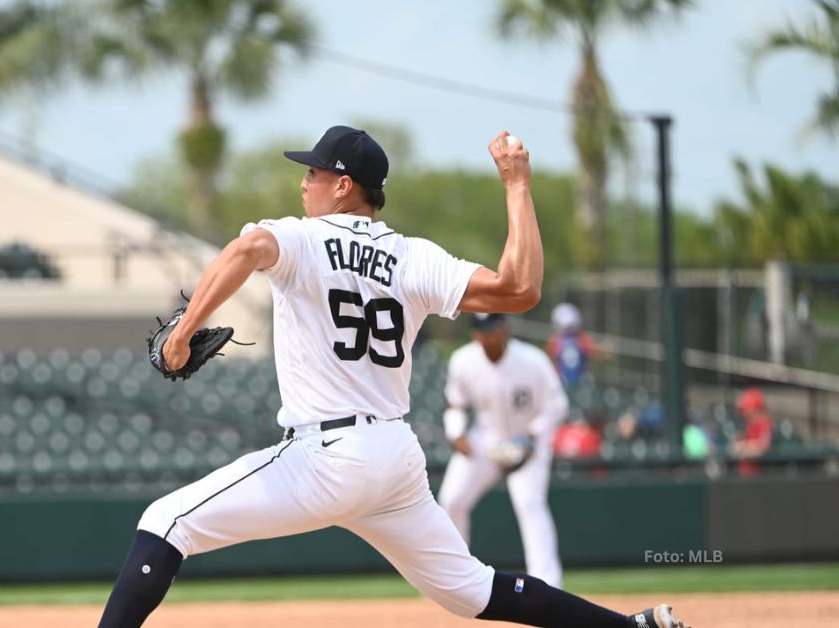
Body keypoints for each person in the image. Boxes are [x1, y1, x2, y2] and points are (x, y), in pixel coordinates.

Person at [97, 126, 688, 628]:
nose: (304, 183)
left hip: (325, 456)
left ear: (343, 185)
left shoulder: (302, 239)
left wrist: (179, 338)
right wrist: (517, 186)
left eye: (313, 175)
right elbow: (521, 289)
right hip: (393, 456)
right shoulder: (413, 256)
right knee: (471, 590)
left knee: (165, 521)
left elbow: (248, 248)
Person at [438, 313, 568, 587]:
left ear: (504, 329)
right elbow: (455, 404)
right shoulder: (463, 360)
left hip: (527, 440)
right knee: (452, 499)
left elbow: (557, 405)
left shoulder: (533, 360)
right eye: (481, 329)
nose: (487, 335)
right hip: (486, 440)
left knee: (529, 504)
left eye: (493, 328)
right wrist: (456, 432)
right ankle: (453, 577)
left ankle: (548, 583)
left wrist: (533, 436)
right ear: (475, 333)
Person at [546, 302, 595, 388]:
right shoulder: (555, 341)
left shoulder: (582, 339)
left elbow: (593, 354)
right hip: (563, 381)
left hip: (578, 381)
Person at [730, 387, 773, 476]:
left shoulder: (764, 422)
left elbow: (762, 447)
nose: (743, 412)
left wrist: (742, 447)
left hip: (759, 476)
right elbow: (734, 447)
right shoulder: (748, 425)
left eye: (746, 408)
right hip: (746, 474)